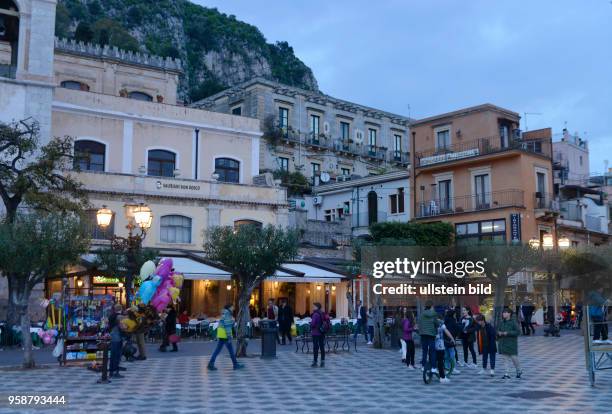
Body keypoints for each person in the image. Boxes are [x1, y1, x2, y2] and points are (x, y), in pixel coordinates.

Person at [208, 304, 243, 370]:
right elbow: (227, 326)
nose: (233, 308)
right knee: (231, 350)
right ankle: (235, 365)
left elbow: (228, 324)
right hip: (225, 334)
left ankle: (211, 363)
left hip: (221, 333)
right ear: (229, 307)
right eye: (232, 307)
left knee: (218, 350)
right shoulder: (227, 314)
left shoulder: (224, 313)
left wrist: (232, 321)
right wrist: (229, 336)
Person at [497, 307, 522, 379]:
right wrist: (499, 333)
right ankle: (506, 373)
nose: (503, 314)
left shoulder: (513, 322)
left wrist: (507, 333)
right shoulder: (502, 322)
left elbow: (518, 332)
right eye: (503, 312)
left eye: (505, 312)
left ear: (509, 314)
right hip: (503, 343)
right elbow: (498, 330)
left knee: (514, 358)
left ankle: (519, 370)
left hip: (511, 343)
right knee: (505, 359)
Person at [418, 301, 439, 373]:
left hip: (423, 335)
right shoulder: (434, 314)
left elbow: (419, 324)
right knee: (432, 351)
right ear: (431, 306)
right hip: (431, 335)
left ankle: (423, 366)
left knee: (424, 351)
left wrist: (421, 332)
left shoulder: (421, 314)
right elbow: (437, 324)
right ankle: (433, 367)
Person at [435, 317, 455, 383]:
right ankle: (442, 377)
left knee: (433, 359)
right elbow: (446, 331)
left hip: (431, 344)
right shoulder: (440, 323)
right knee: (440, 361)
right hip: (440, 345)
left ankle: (431, 371)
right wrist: (452, 338)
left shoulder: (429, 322)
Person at [310, 302, 329, 367]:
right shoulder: (323, 313)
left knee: (315, 347)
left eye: (314, 306)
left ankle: (315, 362)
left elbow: (313, 324)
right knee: (322, 347)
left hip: (316, 332)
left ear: (317, 307)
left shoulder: (315, 314)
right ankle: (322, 361)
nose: (313, 307)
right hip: (322, 332)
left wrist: (310, 325)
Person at [108, 304, 124, 378]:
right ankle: (115, 371)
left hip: (112, 336)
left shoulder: (111, 315)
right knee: (117, 355)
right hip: (117, 337)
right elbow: (122, 326)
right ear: (120, 308)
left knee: (113, 354)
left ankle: (111, 371)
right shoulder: (119, 316)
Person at [443, 308, 461, 374]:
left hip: (444, 340)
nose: (455, 315)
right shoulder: (453, 321)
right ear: (453, 315)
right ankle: (453, 368)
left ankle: (447, 369)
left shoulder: (445, 321)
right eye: (455, 314)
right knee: (452, 355)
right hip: (451, 340)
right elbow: (456, 329)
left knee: (446, 355)